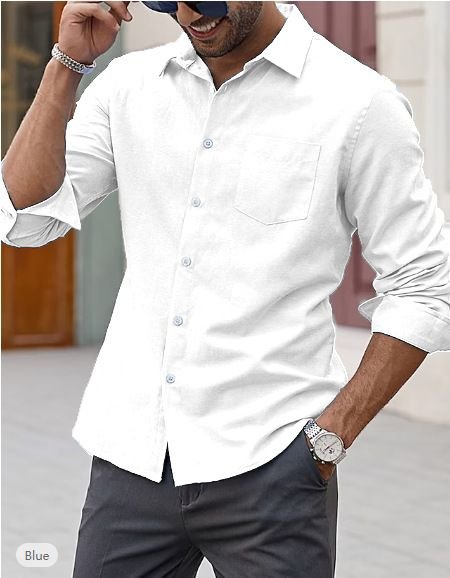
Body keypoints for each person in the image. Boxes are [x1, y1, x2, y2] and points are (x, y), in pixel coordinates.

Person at [1, 1, 449, 576]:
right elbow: (25, 220)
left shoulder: (357, 102)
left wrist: (329, 439)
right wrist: (66, 64)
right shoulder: (129, 86)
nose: (189, 13)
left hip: (273, 466)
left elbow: (425, 284)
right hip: (132, 458)